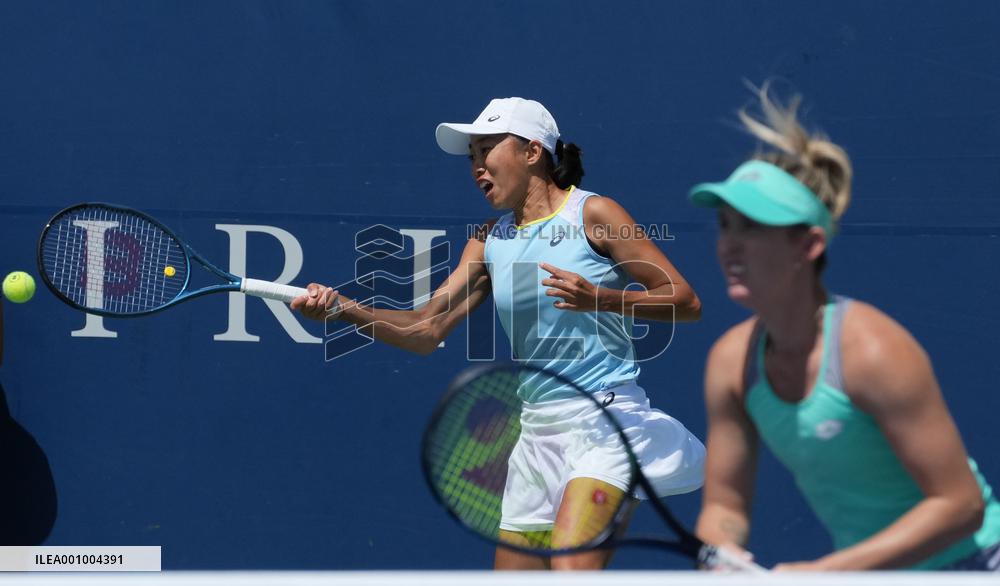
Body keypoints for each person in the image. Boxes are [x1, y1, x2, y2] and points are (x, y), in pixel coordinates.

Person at [293, 97, 706, 570]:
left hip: (607, 423)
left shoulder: (595, 214)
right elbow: (426, 329)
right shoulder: (489, 239)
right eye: (471, 156)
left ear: (533, 152)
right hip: (537, 434)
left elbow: (685, 301)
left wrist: (601, 298)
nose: (476, 167)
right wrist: (344, 310)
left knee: (571, 571)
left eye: (487, 150)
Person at [690, 85, 1000, 571]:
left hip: (978, 563)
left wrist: (822, 574)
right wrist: (722, 553)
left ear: (808, 246)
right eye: (726, 225)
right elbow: (724, 507)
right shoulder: (730, 363)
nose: (730, 245)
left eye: (753, 227)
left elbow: (961, 505)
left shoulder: (874, 351)